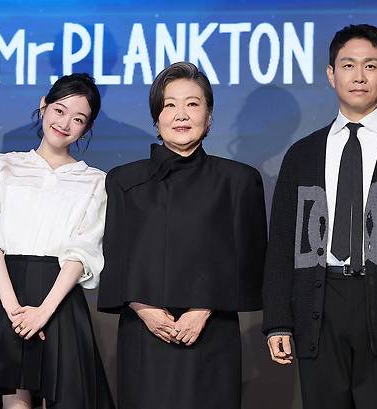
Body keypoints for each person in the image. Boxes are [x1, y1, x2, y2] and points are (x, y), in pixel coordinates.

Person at [262, 24, 377, 409]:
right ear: (331, 74)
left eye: (371, 65)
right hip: (319, 304)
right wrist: (278, 319)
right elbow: (282, 243)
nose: (359, 76)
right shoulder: (302, 154)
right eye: (348, 65)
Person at [97, 61, 267, 409]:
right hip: (144, 331)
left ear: (209, 115)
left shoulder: (238, 181)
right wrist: (144, 309)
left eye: (193, 103)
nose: (181, 114)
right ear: (156, 117)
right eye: (170, 104)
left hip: (211, 330)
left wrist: (202, 309)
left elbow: (249, 259)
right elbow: (115, 256)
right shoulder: (123, 181)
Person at [0, 73, 115, 409]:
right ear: (43, 107)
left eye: (78, 119)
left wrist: (42, 313)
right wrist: (15, 311)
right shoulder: (0, 167)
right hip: (9, 299)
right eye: (60, 110)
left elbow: (82, 252)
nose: (65, 123)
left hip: (60, 303)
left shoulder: (96, 182)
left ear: (87, 127)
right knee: (14, 403)